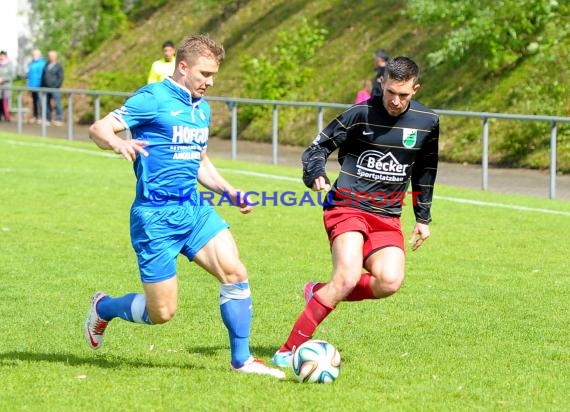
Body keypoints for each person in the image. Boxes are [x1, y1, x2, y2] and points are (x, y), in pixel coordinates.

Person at [85, 34, 284, 380]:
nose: (209, 82)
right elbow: (98, 128)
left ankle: (242, 360)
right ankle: (104, 307)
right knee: (161, 313)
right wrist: (117, 143)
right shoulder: (153, 98)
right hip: (155, 217)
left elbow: (200, 161)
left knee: (235, 271)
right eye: (204, 74)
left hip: (193, 209)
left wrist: (228, 191)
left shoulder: (202, 109)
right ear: (183, 67)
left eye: (213, 76)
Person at [272, 56, 440, 367]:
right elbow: (317, 147)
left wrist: (422, 217)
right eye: (390, 92)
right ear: (381, 83)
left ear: (415, 89)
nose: (395, 100)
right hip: (346, 206)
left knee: (389, 281)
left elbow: (426, 169)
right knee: (347, 277)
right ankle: (288, 350)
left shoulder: (427, 121)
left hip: (387, 215)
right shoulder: (360, 113)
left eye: (403, 94)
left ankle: (320, 293)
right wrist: (315, 173)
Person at [41, 50, 64, 126]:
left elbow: (60, 78)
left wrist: (56, 85)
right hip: (46, 88)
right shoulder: (46, 65)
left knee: (57, 103)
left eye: (51, 56)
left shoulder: (58, 66)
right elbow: (43, 75)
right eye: (49, 56)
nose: (50, 57)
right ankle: (48, 118)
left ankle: (59, 118)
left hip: (55, 88)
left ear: (55, 57)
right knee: (46, 103)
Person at [27, 49, 46, 123]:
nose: (33, 56)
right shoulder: (32, 63)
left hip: (39, 86)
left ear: (39, 55)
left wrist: (40, 84)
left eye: (35, 55)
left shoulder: (42, 63)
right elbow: (29, 75)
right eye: (33, 55)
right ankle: (36, 116)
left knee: (40, 101)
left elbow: (42, 75)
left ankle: (41, 117)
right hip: (32, 86)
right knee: (35, 101)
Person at [0, 50, 16, 122]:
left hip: (6, 86)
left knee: (6, 101)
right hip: (0, 87)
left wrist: (4, 79)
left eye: (2, 56)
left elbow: (12, 75)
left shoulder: (10, 64)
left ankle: (7, 117)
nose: (1, 57)